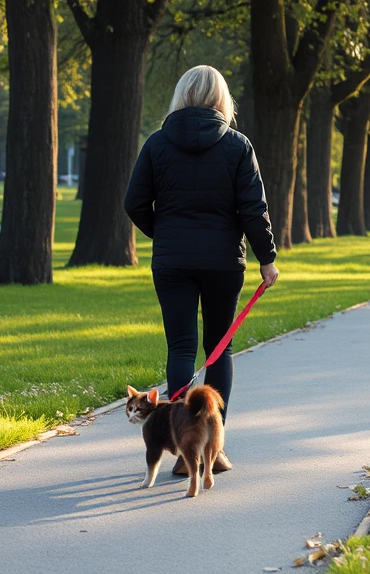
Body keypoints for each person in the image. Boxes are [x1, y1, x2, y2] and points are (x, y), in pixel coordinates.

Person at [124, 65, 279, 475]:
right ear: (221, 99)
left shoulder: (157, 144)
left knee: (180, 348)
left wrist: (165, 233)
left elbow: (134, 202)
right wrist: (267, 258)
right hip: (223, 262)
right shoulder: (238, 145)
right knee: (218, 350)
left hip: (172, 261)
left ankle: (179, 445)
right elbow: (254, 209)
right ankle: (214, 449)